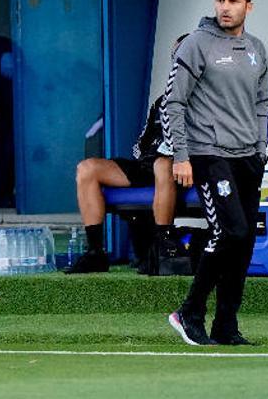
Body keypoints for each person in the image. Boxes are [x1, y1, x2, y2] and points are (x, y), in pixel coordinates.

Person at [164, 0, 268, 346]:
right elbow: (172, 102)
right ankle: (189, 311)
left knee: (243, 244)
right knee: (231, 232)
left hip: (247, 158)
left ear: (248, 7)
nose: (225, 8)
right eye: (220, 0)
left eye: (233, 2)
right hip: (209, 153)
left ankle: (226, 325)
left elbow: (261, 103)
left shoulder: (256, 48)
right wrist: (181, 156)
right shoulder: (196, 44)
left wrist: (261, 149)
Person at [70, 35, 189, 274]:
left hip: (180, 166)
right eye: (175, 57)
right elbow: (142, 141)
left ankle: (162, 245)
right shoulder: (162, 100)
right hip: (148, 164)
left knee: (162, 164)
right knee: (87, 168)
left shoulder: (205, 98)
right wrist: (145, 155)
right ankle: (96, 252)